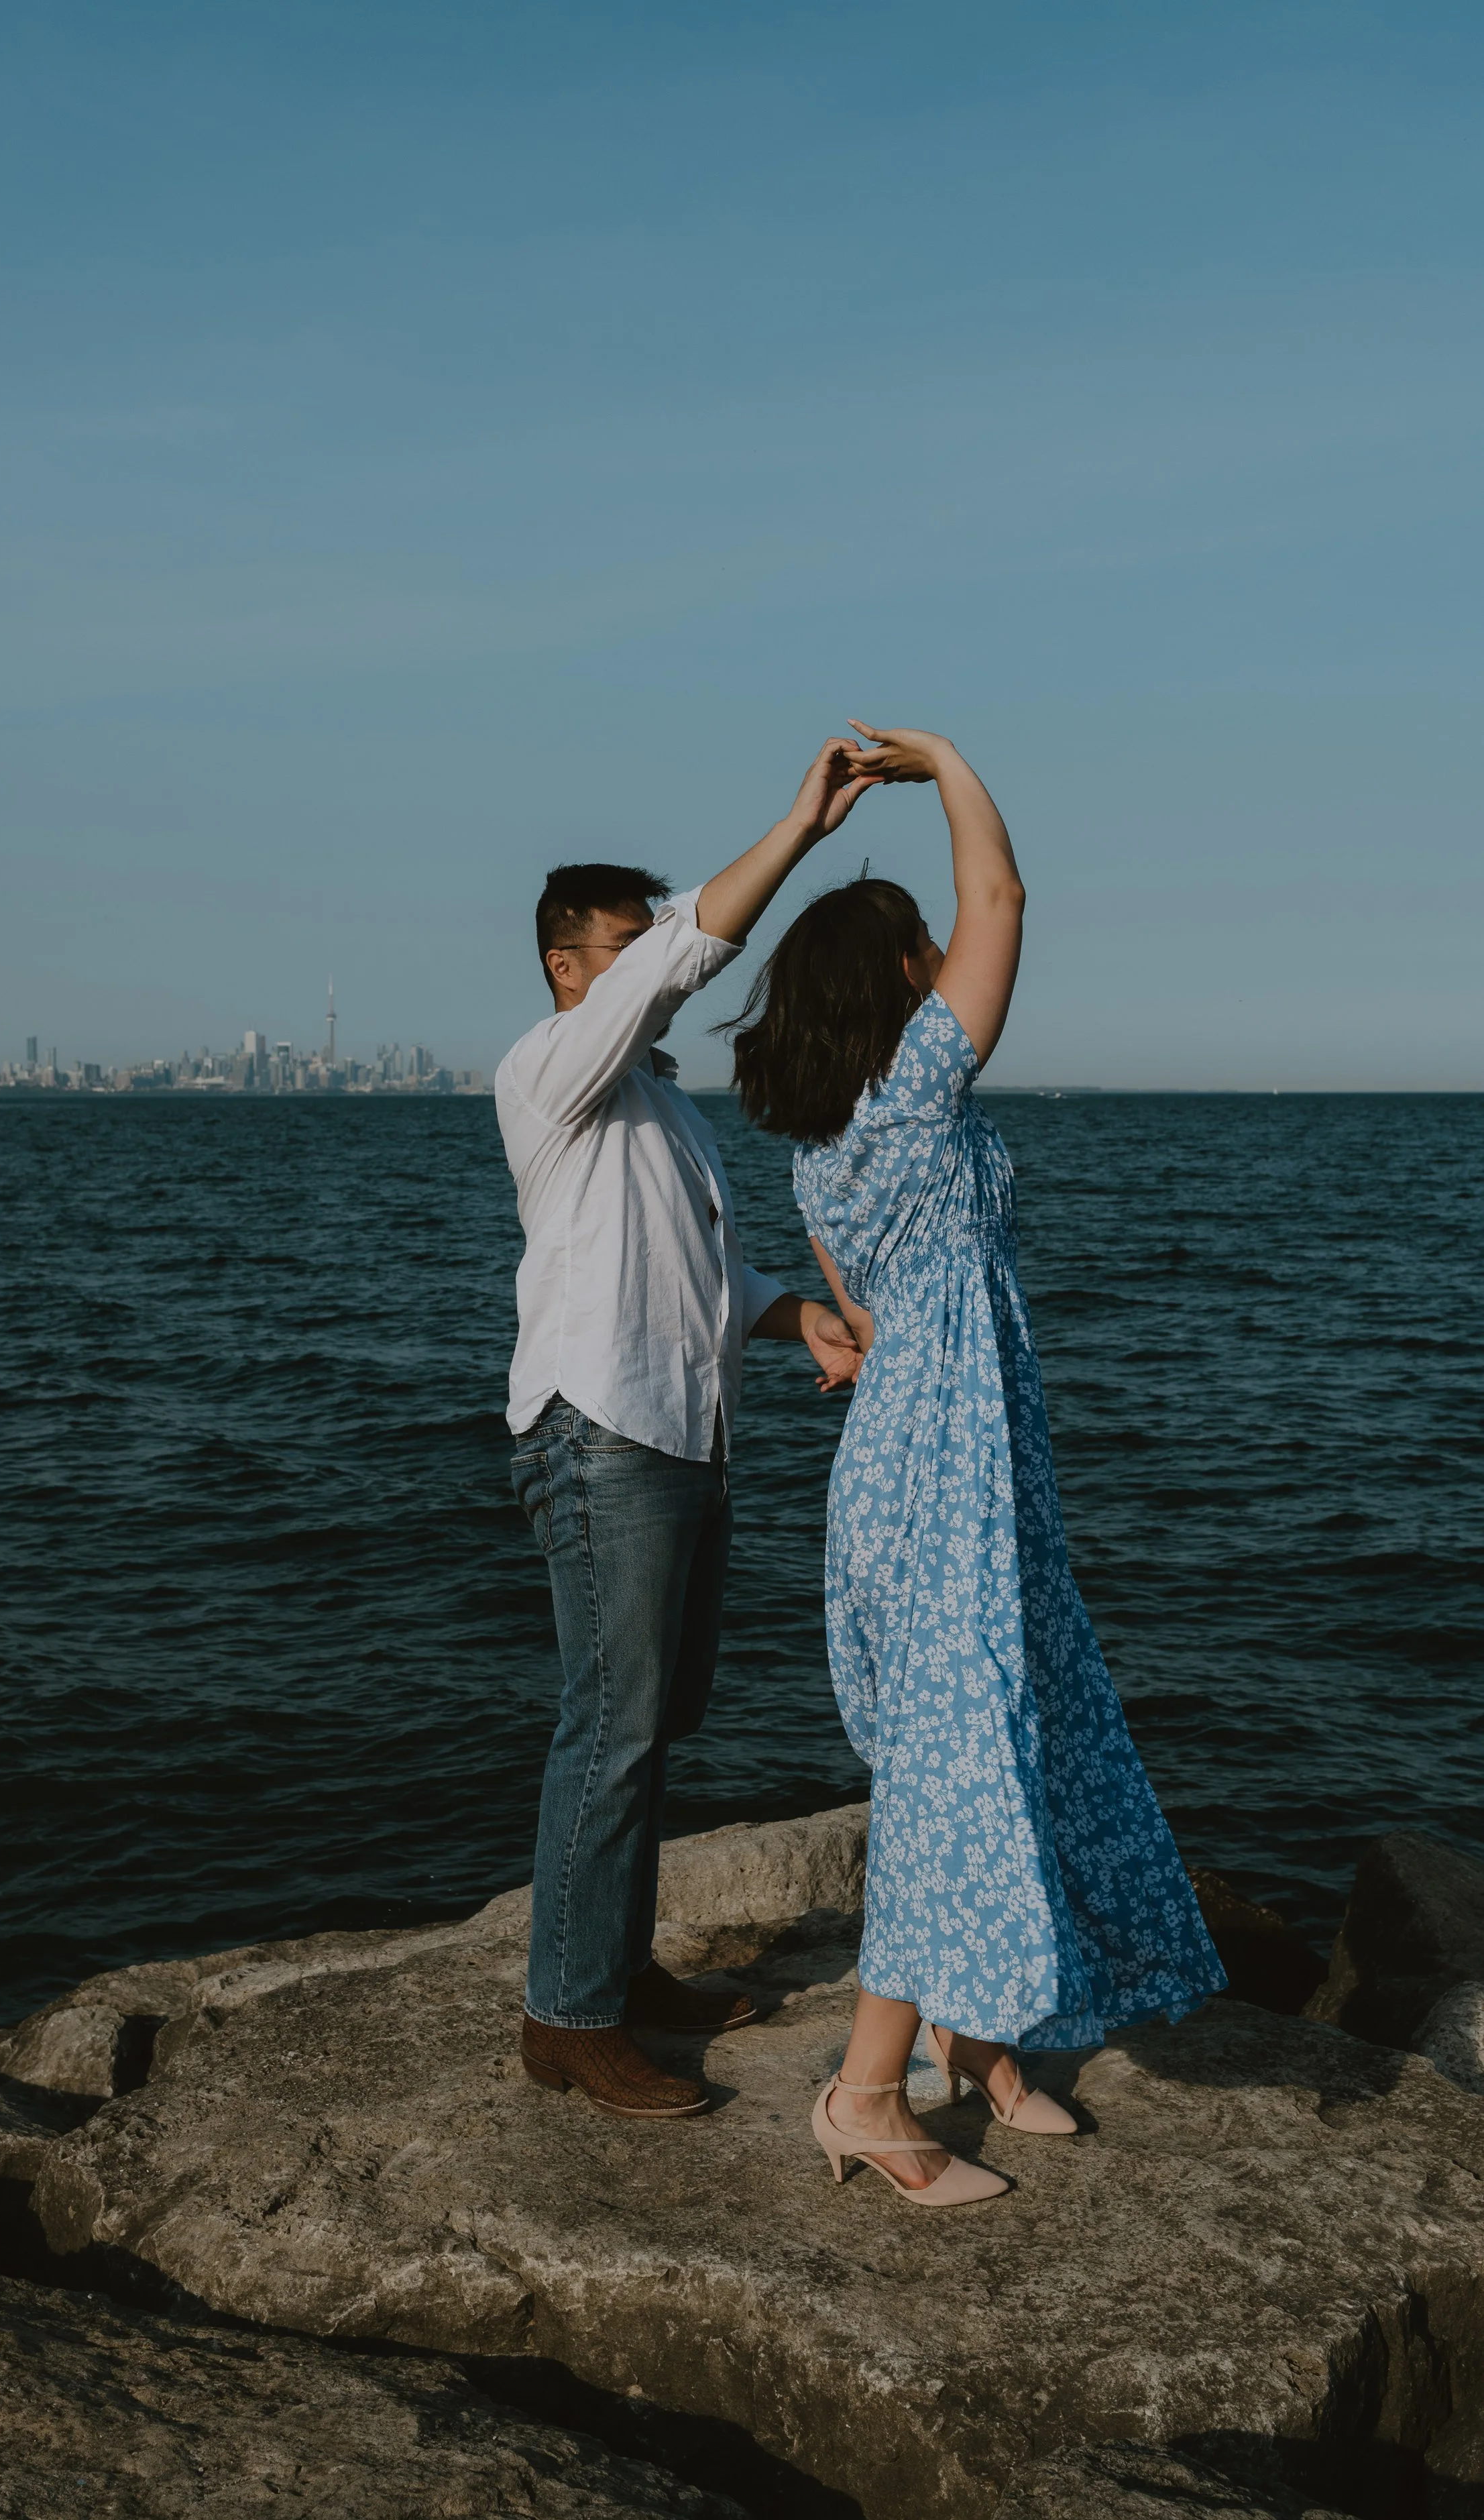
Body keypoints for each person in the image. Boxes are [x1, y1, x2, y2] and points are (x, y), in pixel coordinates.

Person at [727, 719, 1226, 2208]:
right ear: (890, 985)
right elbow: (1004, 906)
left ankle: (975, 2038)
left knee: (1006, 1735)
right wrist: (943, 759)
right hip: (941, 1474)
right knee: (956, 1772)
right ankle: (866, 2095)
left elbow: (865, 1319)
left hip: (914, 1461)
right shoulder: (915, 1100)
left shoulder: (824, 1153)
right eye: (918, 948)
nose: (945, 949)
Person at [497, 739, 878, 2123]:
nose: (652, 955)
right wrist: (797, 827)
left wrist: (800, 1326)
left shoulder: (661, 1111)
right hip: (602, 1436)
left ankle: (614, 1974)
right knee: (609, 1726)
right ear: (567, 966)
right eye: (626, 942)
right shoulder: (547, 1070)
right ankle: (568, 2018)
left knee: (655, 1722)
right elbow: (685, 959)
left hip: (682, 1431)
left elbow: (710, 1282)